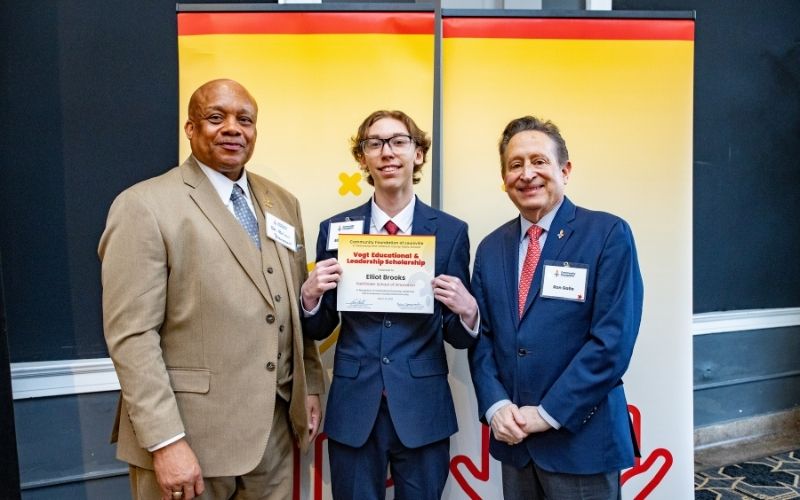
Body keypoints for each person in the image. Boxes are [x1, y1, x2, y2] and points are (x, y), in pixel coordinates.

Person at [99, 79, 324, 500]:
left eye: (245, 120)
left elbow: (291, 306)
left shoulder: (283, 203)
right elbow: (131, 338)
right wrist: (166, 442)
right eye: (216, 118)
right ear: (190, 128)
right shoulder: (144, 205)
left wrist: (309, 384)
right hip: (191, 440)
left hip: (273, 438)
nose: (233, 129)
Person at [300, 110, 479, 499]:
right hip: (355, 406)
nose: (387, 152)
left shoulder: (450, 232)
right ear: (362, 157)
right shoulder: (335, 229)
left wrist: (468, 314)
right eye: (374, 143)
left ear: (417, 154)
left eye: (399, 141)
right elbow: (320, 327)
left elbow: (457, 337)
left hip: (422, 407)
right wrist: (310, 299)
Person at [468, 115, 643, 499]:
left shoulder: (608, 234)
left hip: (582, 441)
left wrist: (547, 413)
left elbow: (612, 342)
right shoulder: (490, 248)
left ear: (565, 170)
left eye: (539, 161)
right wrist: (496, 406)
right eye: (515, 165)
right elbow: (483, 338)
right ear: (504, 180)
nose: (527, 173)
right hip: (515, 443)